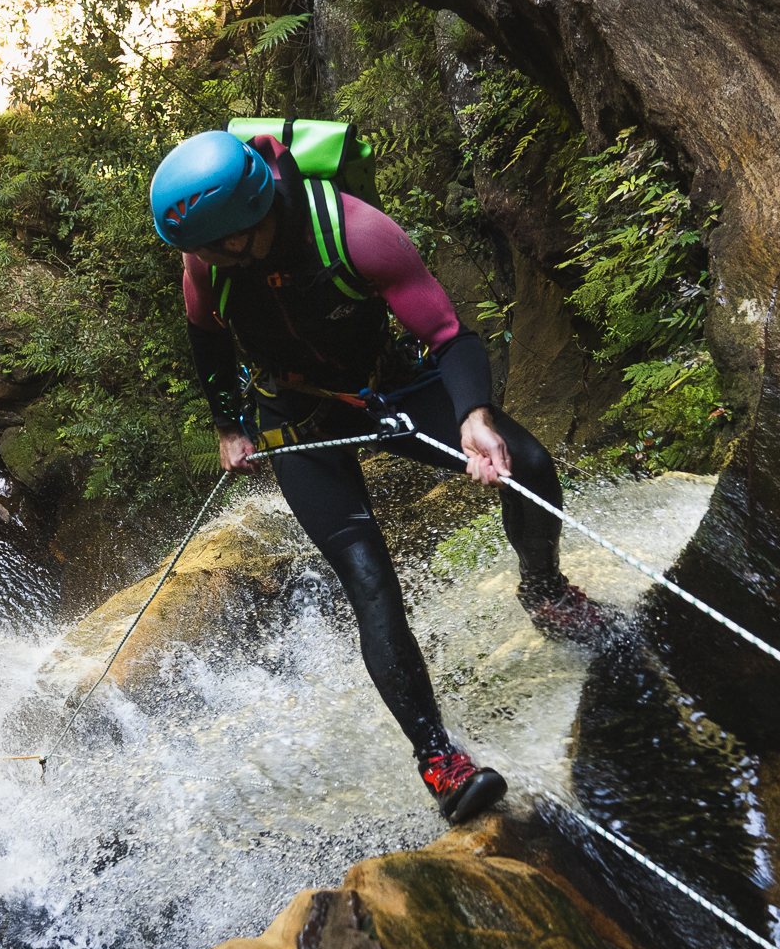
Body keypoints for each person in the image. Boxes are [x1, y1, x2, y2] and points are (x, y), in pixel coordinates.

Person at [151, 129, 605, 826]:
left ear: (253, 219)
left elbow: (450, 336)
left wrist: (474, 417)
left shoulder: (358, 233)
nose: (202, 259)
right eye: (198, 249)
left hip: (384, 385)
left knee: (531, 466)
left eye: (214, 245)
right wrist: (230, 426)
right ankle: (440, 760)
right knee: (367, 576)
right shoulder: (206, 263)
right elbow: (206, 337)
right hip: (297, 413)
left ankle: (543, 588)